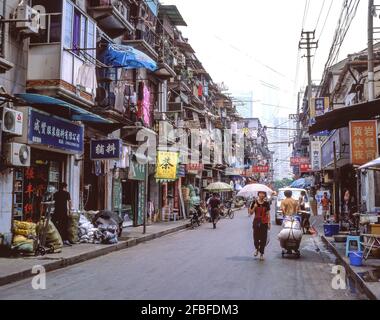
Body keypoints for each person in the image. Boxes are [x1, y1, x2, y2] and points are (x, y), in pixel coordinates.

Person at [249, 191, 271, 261]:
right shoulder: (254, 202)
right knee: (255, 238)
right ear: (258, 194)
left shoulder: (266, 203)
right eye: (260, 193)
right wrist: (254, 207)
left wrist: (269, 223)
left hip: (264, 222)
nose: (262, 195)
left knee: (263, 239)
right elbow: (251, 213)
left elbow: (268, 214)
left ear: (265, 195)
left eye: (263, 194)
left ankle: (261, 254)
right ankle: (256, 248)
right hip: (256, 222)